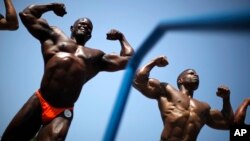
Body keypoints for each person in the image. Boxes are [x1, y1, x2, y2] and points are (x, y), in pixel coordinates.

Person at [1, 2, 134, 141]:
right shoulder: (54, 36)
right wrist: (51, 6)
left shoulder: (97, 57)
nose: (85, 26)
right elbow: (26, 14)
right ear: (72, 27)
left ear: (90, 35)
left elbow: (130, 60)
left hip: (62, 112)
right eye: (81, 24)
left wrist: (121, 37)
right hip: (40, 100)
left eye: (89, 27)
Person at [132, 56, 234, 141]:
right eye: (191, 73)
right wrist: (154, 62)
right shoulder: (167, 90)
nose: (196, 75)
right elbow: (138, 80)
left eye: (196, 74)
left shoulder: (204, 107)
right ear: (180, 80)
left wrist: (226, 99)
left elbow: (228, 123)